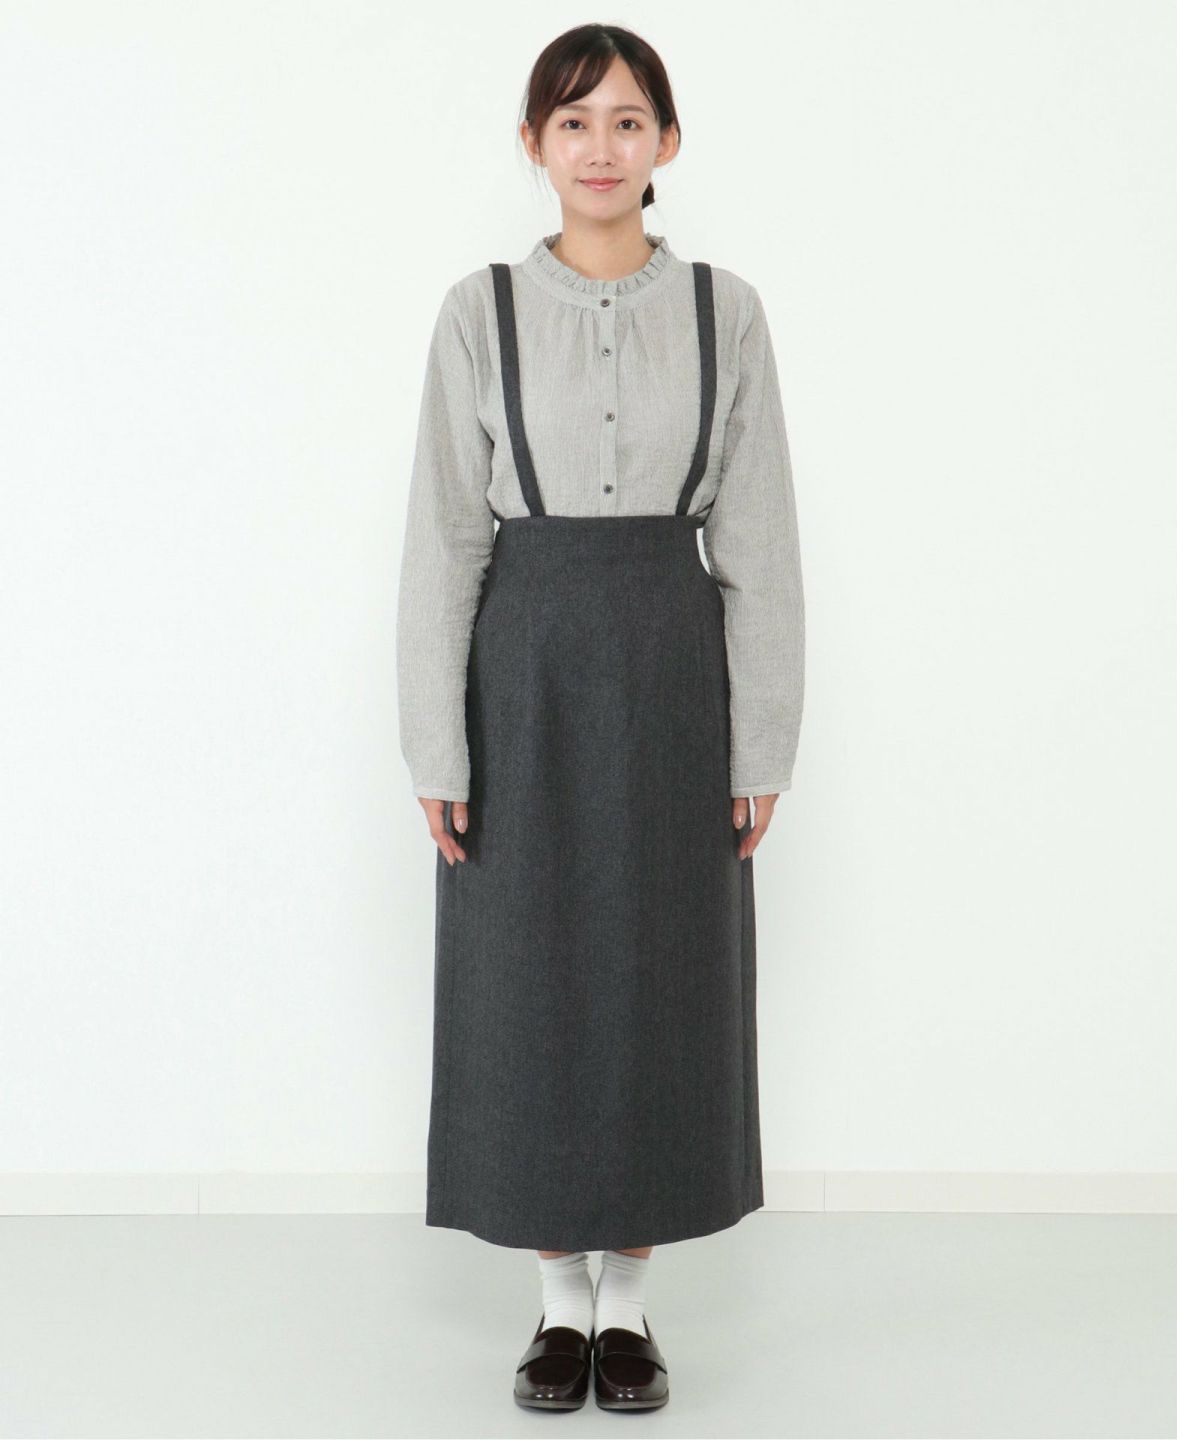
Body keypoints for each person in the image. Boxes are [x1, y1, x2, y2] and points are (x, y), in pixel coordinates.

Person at [395, 22, 805, 1413]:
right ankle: (552, 1305)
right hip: (524, 669)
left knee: (659, 970)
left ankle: (624, 1305)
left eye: (627, 121)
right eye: (572, 122)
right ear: (534, 145)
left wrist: (763, 740)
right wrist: (436, 741)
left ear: (666, 142)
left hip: (672, 671)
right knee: (527, 972)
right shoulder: (480, 313)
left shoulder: (726, 313)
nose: (600, 147)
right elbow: (446, 538)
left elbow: (759, 540)